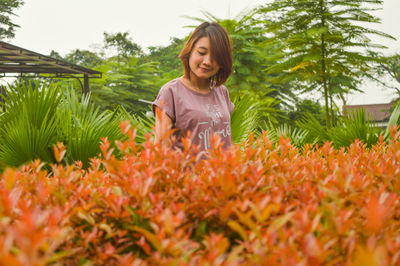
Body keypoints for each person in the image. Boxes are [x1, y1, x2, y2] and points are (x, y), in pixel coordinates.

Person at [152, 22, 234, 158]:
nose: (207, 61)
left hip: (222, 177)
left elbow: (226, 140)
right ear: (190, 51)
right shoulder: (170, 93)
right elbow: (161, 150)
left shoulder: (222, 92)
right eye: (202, 52)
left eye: (216, 57)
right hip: (188, 178)